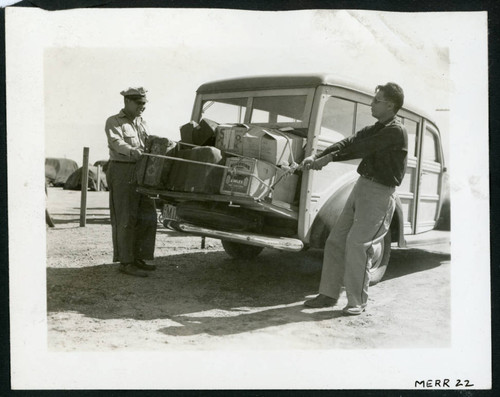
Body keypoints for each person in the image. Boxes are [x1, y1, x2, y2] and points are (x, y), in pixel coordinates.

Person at [301, 82, 407, 315]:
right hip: (362, 187)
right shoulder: (377, 127)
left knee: (358, 244)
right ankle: (328, 294)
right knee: (336, 240)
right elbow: (350, 142)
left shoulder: (395, 130)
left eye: (377, 100)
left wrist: (329, 159)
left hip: (380, 193)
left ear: (390, 105)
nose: (372, 103)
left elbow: (363, 148)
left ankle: (357, 302)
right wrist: (319, 155)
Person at [104, 87, 158, 277]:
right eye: (139, 103)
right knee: (125, 217)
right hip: (122, 169)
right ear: (127, 101)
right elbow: (116, 143)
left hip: (142, 171)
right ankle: (126, 262)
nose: (142, 107)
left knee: (148, 215)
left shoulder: (143, 123)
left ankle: (141, 257)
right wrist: (131, 150)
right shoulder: (114, 121)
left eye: (144, 104)